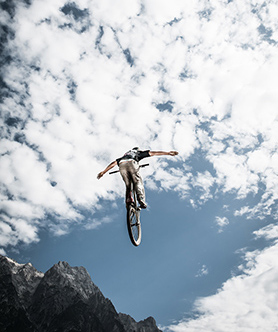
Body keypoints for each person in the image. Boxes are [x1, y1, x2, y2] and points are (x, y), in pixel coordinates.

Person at [97, 147, 178, 209]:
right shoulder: (138, 153)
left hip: (122, 165)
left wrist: (103, 172)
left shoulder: (123, 156)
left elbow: (113, 163)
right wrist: (168, 153)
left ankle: (129, 199)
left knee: (128, 184)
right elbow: (154, 153)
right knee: (137, 181)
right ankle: (141, 199)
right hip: (132, 163)